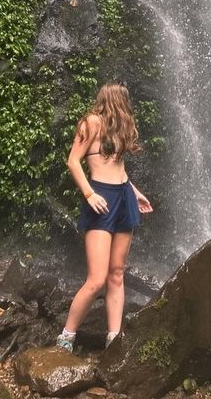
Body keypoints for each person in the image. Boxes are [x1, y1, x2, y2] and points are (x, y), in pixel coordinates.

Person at [56, 81, 153, 353]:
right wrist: (88, 194)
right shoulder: (90, 123)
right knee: (96, 279)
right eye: (124, 100)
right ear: (115, 100)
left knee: (117, 274)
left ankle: (114, 337)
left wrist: (135, 193)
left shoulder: (117, 129)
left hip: (123, 197)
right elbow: (73, 161)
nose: (127, 106)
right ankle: (66, 336)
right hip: (100, 198)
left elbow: (118, 168)